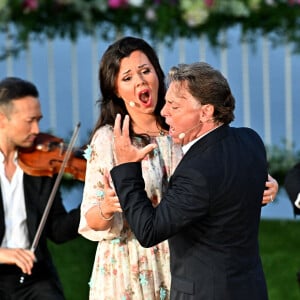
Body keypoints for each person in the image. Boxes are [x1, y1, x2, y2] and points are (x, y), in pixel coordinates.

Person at [79, 37, 277, 300]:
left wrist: (261, 183)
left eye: (145, 70)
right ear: (115, 89)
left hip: (184, 266)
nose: (140, 81)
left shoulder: (182, 131)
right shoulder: (109, 140)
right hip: (131, 266)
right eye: (127, 77)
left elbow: (220, 175)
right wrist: (106, 208)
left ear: (157, 75)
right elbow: (89, 218)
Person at [0, 77, 80, 300]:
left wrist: (91, 210)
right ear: (1, 119)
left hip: (34, 276)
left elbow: (57, 229)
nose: (37, 129)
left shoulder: (42, 163)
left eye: (39, 120)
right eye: (29, 121)